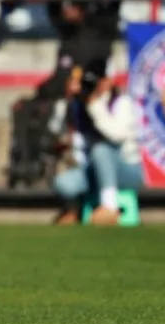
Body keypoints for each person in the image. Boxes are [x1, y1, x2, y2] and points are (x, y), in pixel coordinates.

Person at [53, 60, 142, 225]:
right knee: (63, 183)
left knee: (101, 149)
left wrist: (94, 105)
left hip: (126, 170)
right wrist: (72, 100)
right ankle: (75, 210)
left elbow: (116, 135)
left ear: (109, 81)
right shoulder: (78, 105)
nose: (96, 85)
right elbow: (62, 135)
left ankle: (110, 207)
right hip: (93, 170)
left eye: (99, 81)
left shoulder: (121, 103)